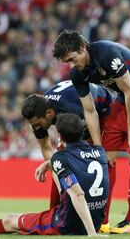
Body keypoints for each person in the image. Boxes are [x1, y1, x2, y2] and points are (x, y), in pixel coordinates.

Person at [52, 30, 130, 234]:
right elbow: (89, 111)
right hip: (123, 98)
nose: (71, 65)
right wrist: (97, 146)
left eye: (72, 59)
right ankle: (102, 220)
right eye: (66, 62)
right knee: (106, 158)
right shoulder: (78, 74)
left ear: (82, 48)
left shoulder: (107, 54)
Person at [0, 113, 109, 236]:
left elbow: (77, 193)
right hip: (96, 220)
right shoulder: (99, 152)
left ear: (60, 136)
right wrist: (50, 163)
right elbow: (80, 164)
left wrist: (91, 234)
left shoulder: (61, 157)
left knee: (10, 221)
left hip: (67, 224)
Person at [21, 80, 114, 208]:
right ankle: (55, 211)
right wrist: (61, 186)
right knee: (60, 162)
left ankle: (103, 219)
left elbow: (91, 115)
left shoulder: (70, 111)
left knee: (102, 160)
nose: (36, 127)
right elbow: (46, 148)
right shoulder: (40, 113)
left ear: (49, 114)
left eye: (37, 124)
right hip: (80, 111)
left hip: (103, 108)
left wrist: (99, 149)